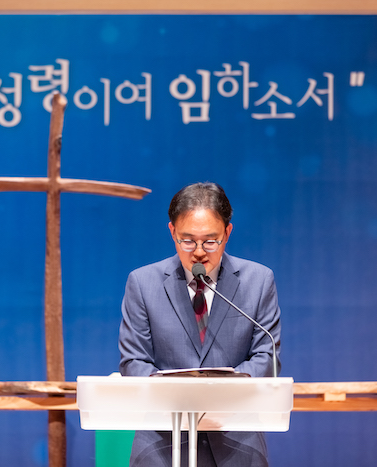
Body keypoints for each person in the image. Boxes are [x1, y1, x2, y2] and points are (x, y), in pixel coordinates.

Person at [118, 182, 282, 467]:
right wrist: (183, 397)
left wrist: (216, 394)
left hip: (237, 441)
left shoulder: (258, 281)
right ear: (172, 231)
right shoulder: (143, 283)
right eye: (187, 240)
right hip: (162, 443)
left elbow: (266, 357)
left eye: (210, 241)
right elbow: (133, 361)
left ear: (227, 233)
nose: (198, 252)